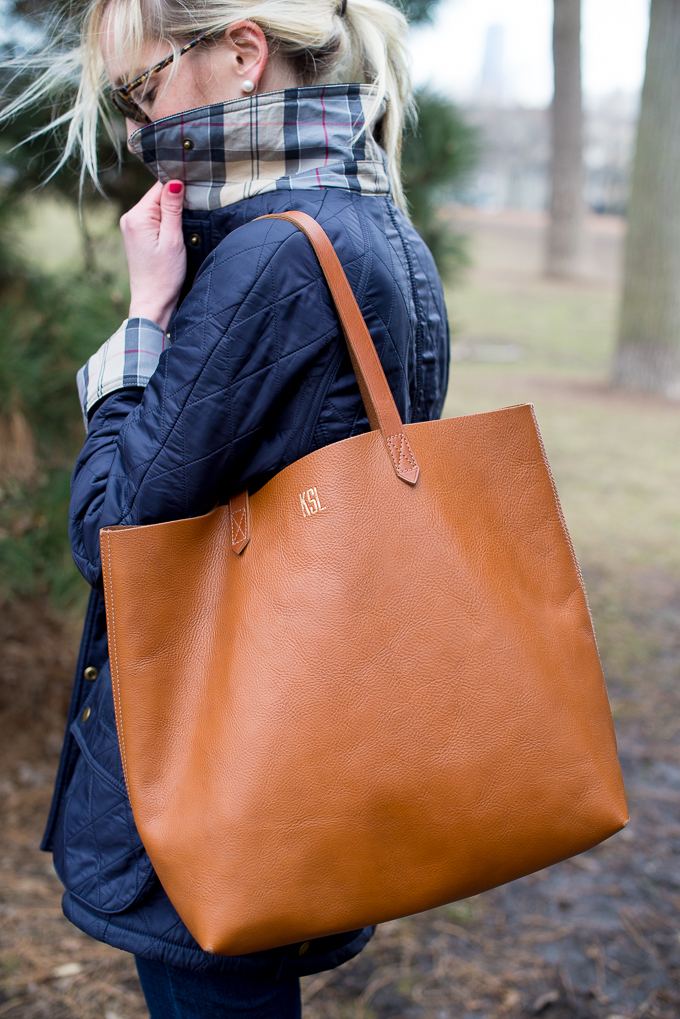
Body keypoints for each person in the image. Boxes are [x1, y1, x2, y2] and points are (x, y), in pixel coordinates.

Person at [5, 0, 450, 1015]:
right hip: (310, 742)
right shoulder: (380, 225)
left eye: (140, 87)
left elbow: (111, 537)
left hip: (222, 771)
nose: (133, 126)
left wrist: (142, 319)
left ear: (241, 53)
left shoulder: (268, 258)